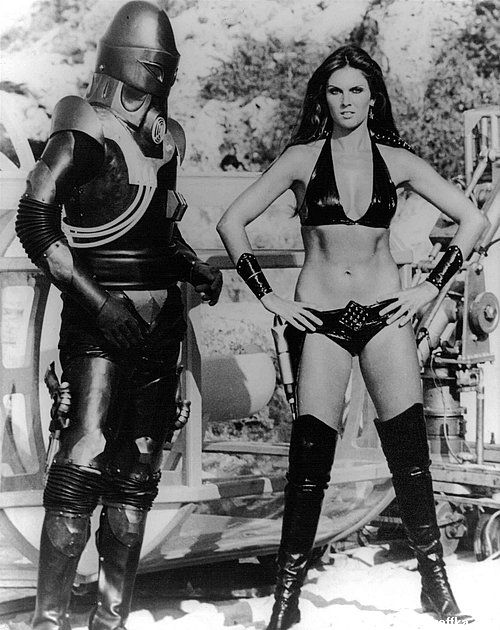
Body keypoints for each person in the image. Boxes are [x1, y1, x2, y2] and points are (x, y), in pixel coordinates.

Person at [217, 44, 487, 630]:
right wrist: (268, 295)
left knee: (409, 460)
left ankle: (436, 587)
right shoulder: (300, 159)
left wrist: (430, 287)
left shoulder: (399, 161)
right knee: (308, 462)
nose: (346, 101)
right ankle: (286, 600)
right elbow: (231, 222)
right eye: (335, 90)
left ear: (372, 97)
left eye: (356, 90)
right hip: (321, 321)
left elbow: (475, 219)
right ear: (324, 97)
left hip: (385, 318)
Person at [15, 2, 222, 629]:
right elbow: (36, 221)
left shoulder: (165, 139)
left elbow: (159, 230)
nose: (154, 81)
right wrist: (98, 302)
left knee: (136, 479)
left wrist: (193, 267)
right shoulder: (82, 129)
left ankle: (111, 619)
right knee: (80, 463)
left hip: (158, 326)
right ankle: (49, 620)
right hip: (97, 322)